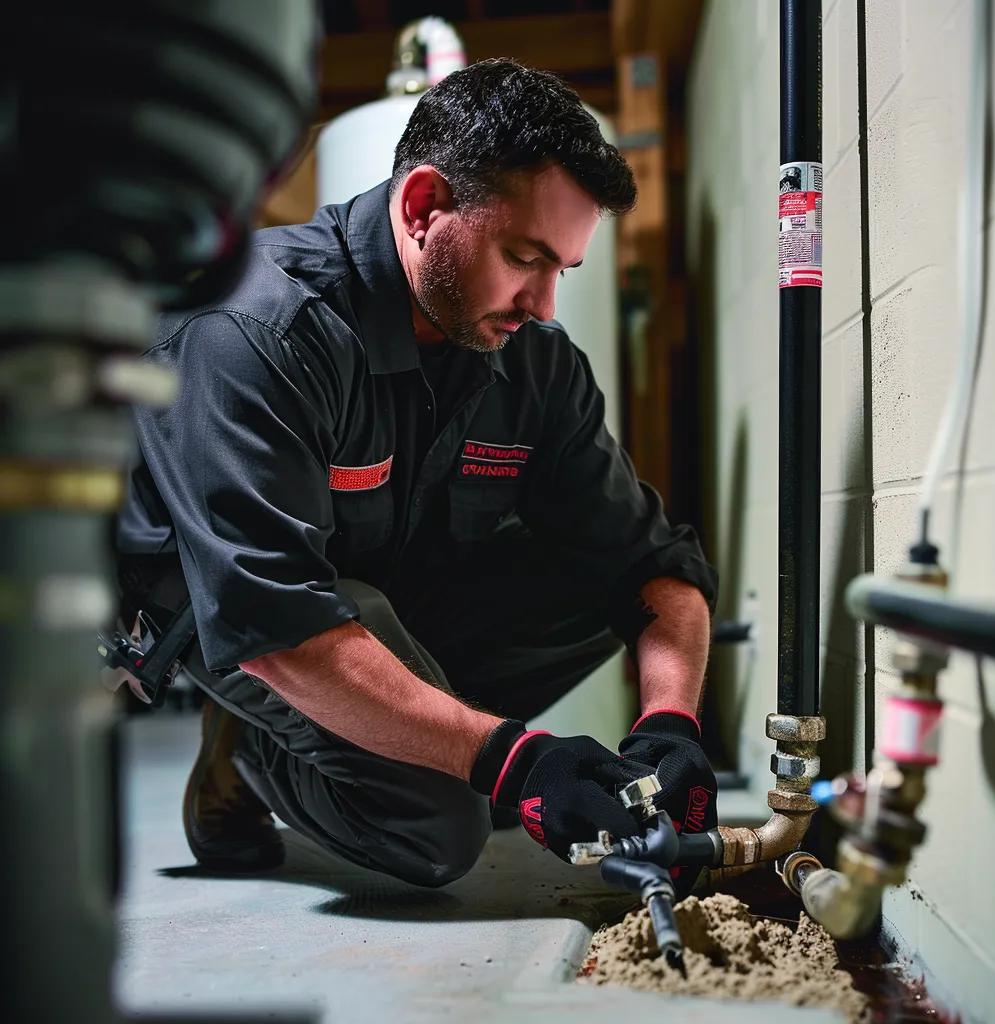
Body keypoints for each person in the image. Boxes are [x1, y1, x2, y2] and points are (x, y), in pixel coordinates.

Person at [116, 59, 719, 892]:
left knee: (606, 584)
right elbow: (276, 619)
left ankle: (398, 736)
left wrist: (671, 724)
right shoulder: (254, 330)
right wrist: (514, 763)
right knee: (438, 825)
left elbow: (658, 567)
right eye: (523, 257)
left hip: (375, 584)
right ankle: (255, 750)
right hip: (243, 620)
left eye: (562, 272)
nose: (543, 305)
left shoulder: (532, 361)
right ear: (423, 207)